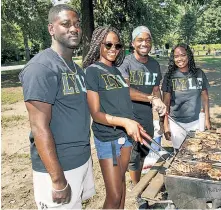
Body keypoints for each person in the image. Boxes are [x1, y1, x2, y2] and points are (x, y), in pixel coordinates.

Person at [18, 4, 95, 209]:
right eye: (66, 24)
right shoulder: (40, 68)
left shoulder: (76, 69)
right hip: (58, 169)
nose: (73, 28)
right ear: (51, 29)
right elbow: (39, 127)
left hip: (80, 160)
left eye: (77, 24)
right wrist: (58, 179)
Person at [82, 26, 144, 209]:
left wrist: (134, 122)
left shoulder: (116, 71)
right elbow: (96, 114)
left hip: (125, 138)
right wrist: (125, 122)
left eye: (118, 46)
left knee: (122, 186)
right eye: (108, 44)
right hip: (109, 138)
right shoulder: (92, 71)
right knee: (114, 195)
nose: (113, 49)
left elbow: (123, 101)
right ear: (98, 45)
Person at [118, 25, 166, 208]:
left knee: (144, 152)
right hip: (129, 117)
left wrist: (161, 116)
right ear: (133, 43)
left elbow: (156, 91)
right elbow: (125, 91)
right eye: (140, 40)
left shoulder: (154, 64)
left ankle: (137, 181)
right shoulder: (126, 63)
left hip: (146, 115)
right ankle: (138, 191)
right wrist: (150, 98)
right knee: (133, 155)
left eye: (148, 40)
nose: (144, 43)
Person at [162, 43, 211, 150]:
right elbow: (165, 103)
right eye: (176, 56)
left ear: (188, 55)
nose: (180, 59)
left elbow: (205, 98)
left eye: (183, 55)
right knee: (180, 155)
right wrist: (166, 126)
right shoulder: (169, 76)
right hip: (176, 123)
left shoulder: (199, 74)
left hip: (196, 122)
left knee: (198, 151)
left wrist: (207, 119)